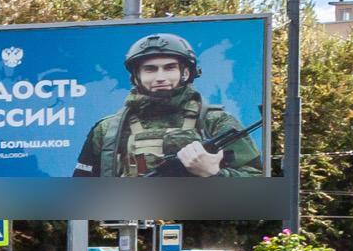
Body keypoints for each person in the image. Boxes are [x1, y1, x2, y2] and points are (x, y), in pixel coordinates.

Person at [73, 32, 260, 177]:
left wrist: (214, 175)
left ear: (185, 73)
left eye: (169, 68)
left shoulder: (216, 122)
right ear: (136, 76)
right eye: (150, 69)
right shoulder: (108, 130)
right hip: (127, 227)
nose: (160, 77)